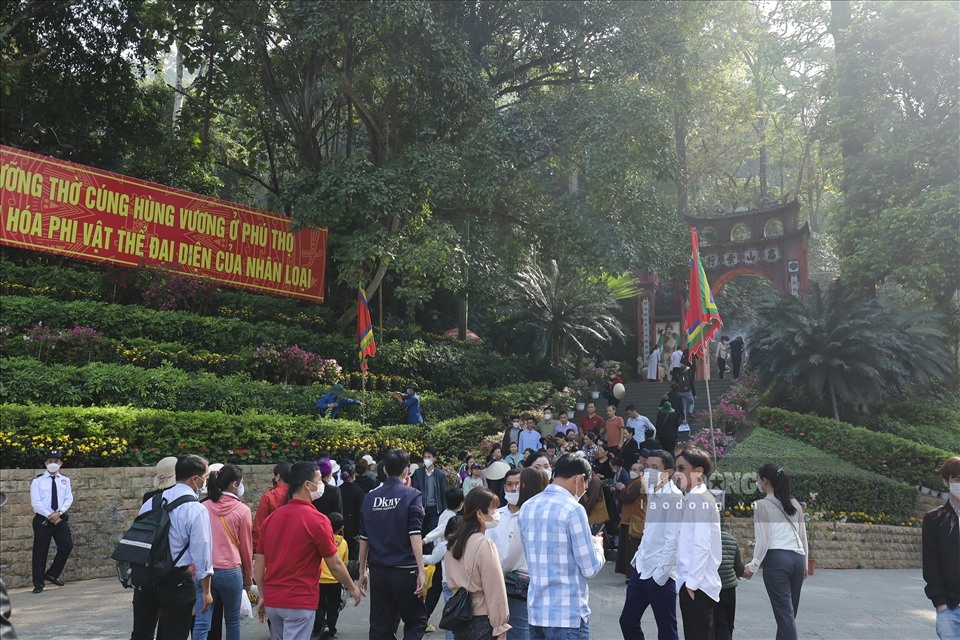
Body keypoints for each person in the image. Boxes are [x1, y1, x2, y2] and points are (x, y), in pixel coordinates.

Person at [255, 461, 362, 637]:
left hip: (273, 600)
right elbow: (334, 563)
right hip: (299, 600)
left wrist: (262, 595)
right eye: (319, 480)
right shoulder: (317, 520)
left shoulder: (271, 519)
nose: (322, 485)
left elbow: (259, 564)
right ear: (307, 484)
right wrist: (351, 587)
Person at [518, 454, 606, 639]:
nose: (585, 489)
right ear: (580, 479)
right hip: (567, 614)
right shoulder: (573, 509)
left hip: (537, 611)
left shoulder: (527, 506)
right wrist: (598, 547)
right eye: (586, 484)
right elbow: (589, 568)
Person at [131, 455, 213, 640]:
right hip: (176, 580)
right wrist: (206, 590)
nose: (205, 482)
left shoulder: (150, 502)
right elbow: (203, 553)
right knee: (173, 634)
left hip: (146, 577)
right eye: (205, 477)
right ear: (195, 479)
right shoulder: (195, 509)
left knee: (141, 633)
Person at [359, 449, 428, 640]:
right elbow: (415, 534)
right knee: (416, 620)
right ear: (406, 471)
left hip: (379, 571)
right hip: (405, 570)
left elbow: (363, 537)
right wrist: (421, 571)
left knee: (380, 626)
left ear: (385, 471)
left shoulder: (370, 498)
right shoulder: (412, 495)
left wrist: (362, 571)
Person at [620, 449, 684, 640]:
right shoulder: (652, 492)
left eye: (655, 468)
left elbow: (673, 539)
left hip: (660, 573)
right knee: (627, 621)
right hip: (642, 568)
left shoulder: (674, 496)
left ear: (669, 472)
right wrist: (638, 558)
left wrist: (661, 575)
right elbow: (650, 532)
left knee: (666, 628)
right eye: (647, 467)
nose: (649, 471)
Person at [741, 464, 808, 640]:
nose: (756, 481)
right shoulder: (794, 504)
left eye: (758, 478)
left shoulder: (761, 505)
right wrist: (806, 563)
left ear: (764, 481)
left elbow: (764, 538)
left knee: (785, 616)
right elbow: (803, 536)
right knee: (788, 616)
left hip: (778, 561)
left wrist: (754, 565)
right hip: (798, 559)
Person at [193, 464, 253, 640]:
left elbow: (195, 540)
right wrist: (248, 577)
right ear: (235, 484)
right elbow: (246, 548)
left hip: (204, 570)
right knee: (233, 620)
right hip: (230, 570)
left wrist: (192, 568)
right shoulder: (243, 510)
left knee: (202, 621)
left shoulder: (202, 506)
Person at [445, 488, 511, 640]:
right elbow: (495, 590)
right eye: (493, 508)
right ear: (480, 514)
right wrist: (500, 627)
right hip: (483, 619)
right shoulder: (484, 545)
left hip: (459, 617)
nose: (496, 512)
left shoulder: (453, 543)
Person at [674, 447, 722, 640]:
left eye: (681, 468)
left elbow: (702, 545)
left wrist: (691, 584)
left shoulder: (698, 498)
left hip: (697, 586)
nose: (676, 473)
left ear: (698, 471)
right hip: (696, 584)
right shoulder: (695, 496)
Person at [923, 456, 960, 640]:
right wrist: (941, 604)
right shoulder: (934, 519)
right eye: (958, 480)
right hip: (951, 608)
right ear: (946, 481)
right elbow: (931, 562)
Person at [30, 449, 74, 594]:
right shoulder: (38, 481)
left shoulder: (65, 480)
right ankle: (38, 583)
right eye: (50, 461)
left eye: (56, 461)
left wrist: (59, 513)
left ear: (61, 463)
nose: (52, 464)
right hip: (43, 519)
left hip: (60, 518)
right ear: (45, 463)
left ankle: (52, 574)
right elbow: (36, 502)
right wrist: (50, 515)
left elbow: (68, 498)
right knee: (40, 552)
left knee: (66, 546)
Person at [316, 512, 350, 640]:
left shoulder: (320, 539)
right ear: (341, 528)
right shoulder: (344, 543)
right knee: (333, 607)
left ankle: (322, 626)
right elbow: (344, 562)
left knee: (318, 605)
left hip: (319, 579)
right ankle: (331, 630)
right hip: (335, 580)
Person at [614, 462, 646, 581]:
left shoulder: (639, 483)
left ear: (641, 472)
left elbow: (628, 497)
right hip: (628, 519)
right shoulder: (634, 481)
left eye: (635, 469)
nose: (632, 471)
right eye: (631, 468)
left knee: (631, 549)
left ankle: (632, 574)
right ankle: (629, 574)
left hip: (634, 519)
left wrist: (622, 489)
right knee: (627, 549)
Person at [253, 462, 291, 552]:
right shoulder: (298, 494)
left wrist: (255, 546)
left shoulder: (269, 496)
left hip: (273, 546)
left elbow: (259, 525)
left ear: (278, 476)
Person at [715, 526, 745, 640]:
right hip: (729, 589)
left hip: (712, 589)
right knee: (728, 623)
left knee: (716, 623)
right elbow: (739, 569)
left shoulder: (706, 539)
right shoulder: (732, 540)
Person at [340, 463, 366, 561]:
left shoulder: (338, 490)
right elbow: (361, 511)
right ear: (353, 476)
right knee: (353, 557)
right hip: (354, 528)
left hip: (340, 527)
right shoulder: (358, 491)